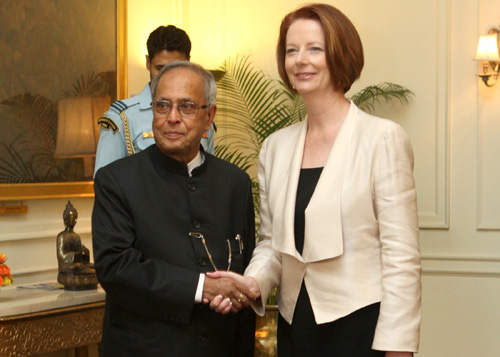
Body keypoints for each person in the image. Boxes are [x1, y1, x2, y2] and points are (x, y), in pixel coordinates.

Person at [210, 3, 421, 356]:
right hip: (296, 324)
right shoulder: (275, 147)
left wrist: (398, 347)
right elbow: (272, 244)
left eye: (314, 49)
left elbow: (401, 256)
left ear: (340, 55)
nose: (300, 60)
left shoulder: (382, 138)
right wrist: (251, 282)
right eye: (291, 50)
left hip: (363, 325)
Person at [92, 61, 256, 356]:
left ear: (209, 117)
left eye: (187, 107)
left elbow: (243, 269)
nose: (172, 118)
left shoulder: (236, 183)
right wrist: (201, 287)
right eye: (162, 106)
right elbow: (116, 267)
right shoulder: (116, 180)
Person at [94, 25, 215, 175]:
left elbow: (209, 176)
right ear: (147, 62)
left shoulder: (200, 113)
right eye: (160, 68)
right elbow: (106, 184)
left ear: (188, 63)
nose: (168, 77)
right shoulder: (122, 118)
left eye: (175, 69)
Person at [56, 201, 98, 290]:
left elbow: (81, 258)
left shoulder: (76, 236)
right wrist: (75, 254)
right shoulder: (62, 236)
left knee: (93, 266)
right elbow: (61, 256)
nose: (74, 220)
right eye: (72, 217)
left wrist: (85, 253)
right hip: (68, 265)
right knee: (75, 267)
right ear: (66, 218)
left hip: (78, 264)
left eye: (75, 218)